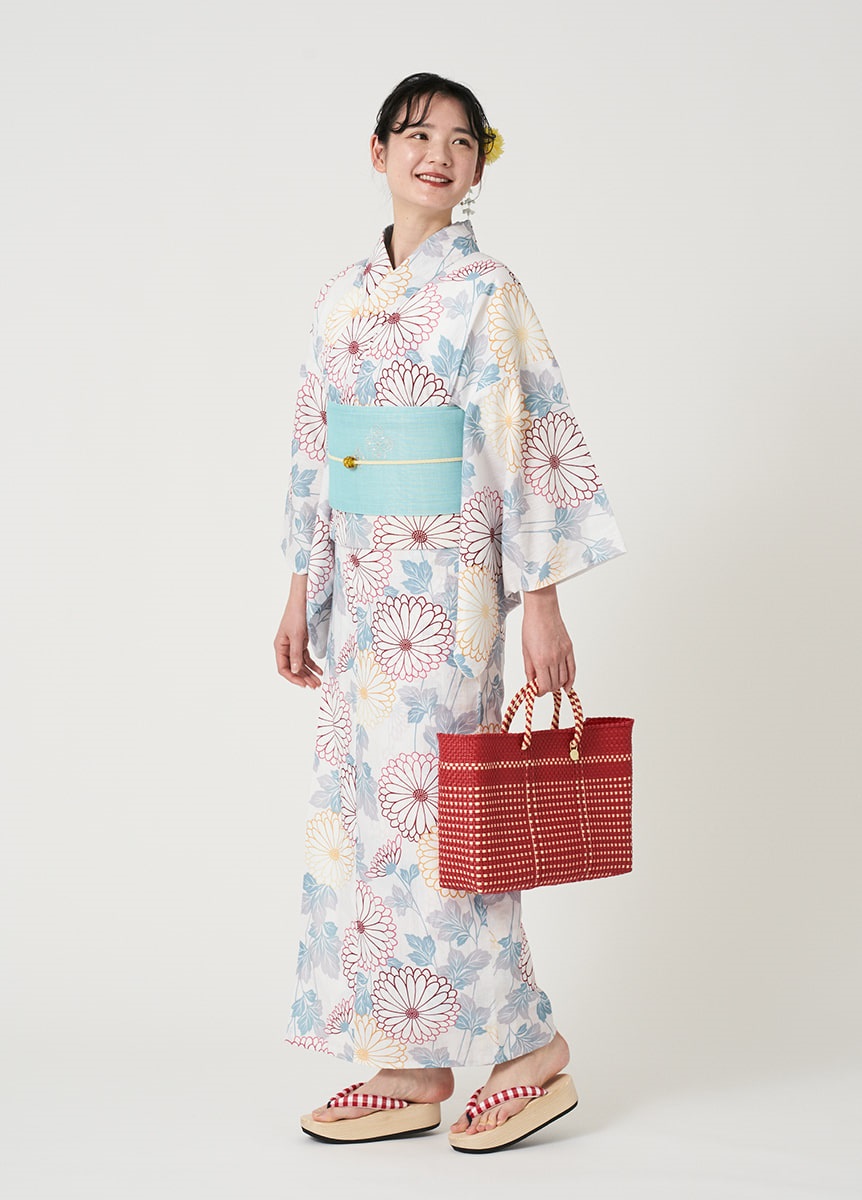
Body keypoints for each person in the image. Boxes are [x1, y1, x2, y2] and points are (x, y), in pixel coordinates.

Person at [274, 72, 625, 1153]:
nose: (439, 154)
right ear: (378, 150)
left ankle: (527, 1047)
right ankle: (412, 1054)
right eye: (419, 134)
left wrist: (540, 600)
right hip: (359, 594)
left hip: (448, 585)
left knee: (445, 819)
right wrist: (298, 590)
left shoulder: (484, 290)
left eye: (462, 141)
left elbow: (526, 435)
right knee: (367, 823)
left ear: (479, 166)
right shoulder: (341, 297)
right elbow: (316, 443)